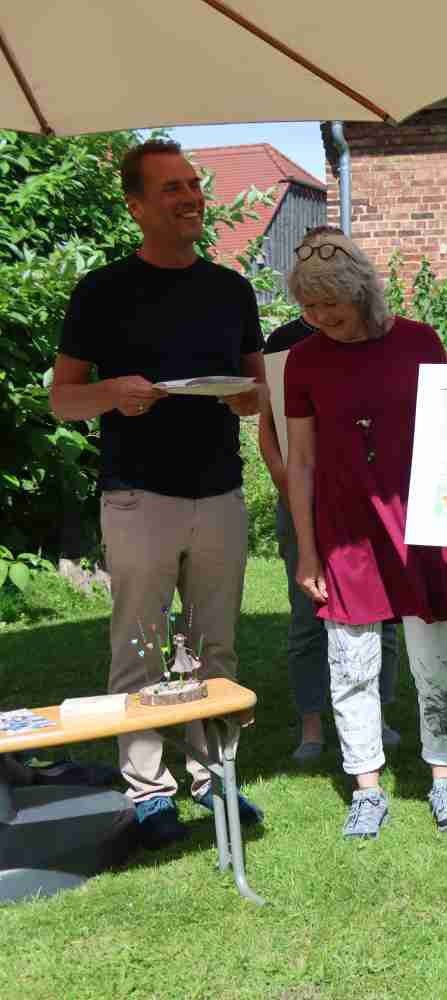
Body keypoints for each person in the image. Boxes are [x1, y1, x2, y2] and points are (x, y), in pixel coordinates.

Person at [48, 139, 265, 848]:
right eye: (171, 188)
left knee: (215, 648)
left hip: (219, 494)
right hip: (138, 497)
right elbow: (62, 402)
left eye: (193, 185)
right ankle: (147, 789)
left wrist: (241, 399)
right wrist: (113, 392)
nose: (190, 197)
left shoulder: (230, 289)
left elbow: (256, 390)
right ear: (135, 206)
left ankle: (215, 777)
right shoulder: (103, 291)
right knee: (140, 645)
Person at [282, 230, 447, 840]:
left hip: (422, 521)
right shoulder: (305, 360)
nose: (321, 315)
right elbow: (300, 461)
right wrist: (307, 549)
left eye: (331, 300)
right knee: (351, 658)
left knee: (434, 655)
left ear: (361, 289)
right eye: (309, 305)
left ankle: (444, 777)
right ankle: (366, 785)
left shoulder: (419, 342)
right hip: (342, 531)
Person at [258, 228, 403, 764]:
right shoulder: (284, 343)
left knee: (382, 615)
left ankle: (378, 715)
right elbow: (271, 431)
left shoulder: (381, 336)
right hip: (305, 495)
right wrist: (290, 487)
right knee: (308, 614)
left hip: (367, 498)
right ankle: (313, 725)